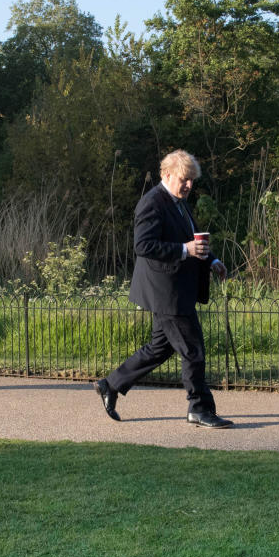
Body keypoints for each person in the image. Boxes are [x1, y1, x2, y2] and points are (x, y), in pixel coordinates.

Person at [94, 150, 233, 428]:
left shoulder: (179, 202)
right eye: (185, 180)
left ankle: (111, 384)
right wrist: (185, 250)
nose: (189, 186)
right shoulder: (152, 203)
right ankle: (199, 408)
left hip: (176, 289)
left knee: (160, 348)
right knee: (193, 350)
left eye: (192, 180)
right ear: (167, 175)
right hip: (167, 292)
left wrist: (212, 259)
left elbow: (190, 239)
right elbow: (143, 246)